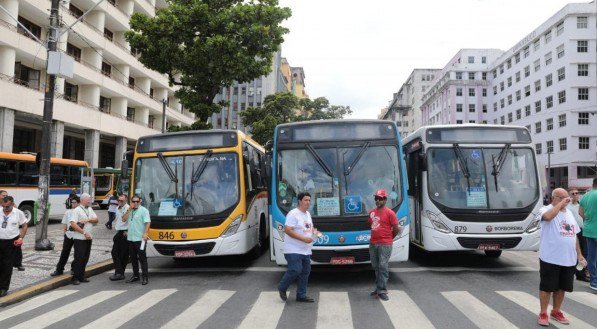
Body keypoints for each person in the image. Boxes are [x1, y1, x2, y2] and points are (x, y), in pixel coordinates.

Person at [536, 188, 586, 326]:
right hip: (550, 258)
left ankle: (556, 311)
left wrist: (579, 254)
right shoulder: (545, 209)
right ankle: (543, 313)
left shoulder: (569, 213)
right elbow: (547, 217)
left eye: (567, 197)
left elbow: (574, 235)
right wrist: (560, 204)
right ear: (555, 197)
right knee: (547, 287)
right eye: (564, 197)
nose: (568, 199)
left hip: (568, 259)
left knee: (562, 287)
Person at [278, 192, 318, 303]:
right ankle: (282, 287)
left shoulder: (308, 214)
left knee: (305, 271)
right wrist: (303, 239)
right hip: (293, 249)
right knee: (295, 269)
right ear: (299, 201)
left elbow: (310, 228)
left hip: (305, 249)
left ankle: (301, 295)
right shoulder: (293, 213)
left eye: (309, 200)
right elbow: (288, 230)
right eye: (306, 200)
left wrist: (315, 233)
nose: (308, 202)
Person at [368, 189, 400, 301]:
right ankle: (378, 288)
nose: (378, 200)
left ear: (385, 200)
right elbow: (372, 226)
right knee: (376, 266)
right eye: (376, 198)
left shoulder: (390, 213)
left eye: (380, 198)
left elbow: (396, 228)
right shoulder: (371, 212)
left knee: (383, 266)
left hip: (385, 244)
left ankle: (382, 290)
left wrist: (390, 238)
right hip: (373, 243)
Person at [0, 196, 28, 297]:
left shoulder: (18, 213)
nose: (5, 208)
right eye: (3, 206)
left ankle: (3, 287)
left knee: (7, 265)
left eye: (7, 206)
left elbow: (24, 226)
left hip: (11, 242)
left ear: (12, 204)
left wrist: (21, 238)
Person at [69, 193, 98, 285]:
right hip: (80, 238)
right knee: (79, 258)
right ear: (82, 200)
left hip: (89, 238)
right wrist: (84, 232)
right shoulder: (76, 210)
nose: (90, 201)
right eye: (88, 199)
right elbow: (73, 224)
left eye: (90, 199)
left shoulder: (90, 209)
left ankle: (81, 276)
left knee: (85, 258)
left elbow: (96, 220)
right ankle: (75, 278)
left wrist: (88, 220)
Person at [50, 196, 80, 277]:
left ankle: (74, 268)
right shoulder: (68, 212)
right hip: (69, 235)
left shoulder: (81, 212)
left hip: (78, 235)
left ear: (79, 203)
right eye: (72, 202)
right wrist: (65, 232)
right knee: (64, 252)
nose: (73, 204)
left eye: (75, 202)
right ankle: (59, 269)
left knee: (77, 253)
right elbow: (64, 223)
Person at [126, 195, 151, 285]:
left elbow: (148, 222)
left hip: (140, 239)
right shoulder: (130, 210)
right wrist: (129, 209)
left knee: (142, 258)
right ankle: (136, 275)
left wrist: (145, 233)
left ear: (140, 202)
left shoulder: (144, 210)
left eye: (137, 201)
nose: (136, 203)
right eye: (134, 201)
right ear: (131, 202)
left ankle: (145, 277)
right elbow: (123, 219)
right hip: (131, 238)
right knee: (133, 258)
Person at [567, 188, 589, 282]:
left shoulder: (581, 204)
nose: (575, 195)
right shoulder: (568, 207)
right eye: (573, 193)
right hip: (572, 232)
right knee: (573, 252)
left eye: (576, 193)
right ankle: (572, 272)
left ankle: (581, 273)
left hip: (582, 230)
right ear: (569, 195)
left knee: (584, 252)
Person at [579, 178, 597, 291]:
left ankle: (593, 282)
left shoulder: (585, 196)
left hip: (589, 230)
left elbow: (580, 212)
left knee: (591, 256)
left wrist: (589, 220)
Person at [110, 194, 130, 281]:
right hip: (119, 232)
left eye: (121, 201)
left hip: (125, 232)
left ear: (126, 200)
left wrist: (128, 231)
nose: (119, 202)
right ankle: (119, 272)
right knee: (115, 252)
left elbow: (129, 220)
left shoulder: (128, 208)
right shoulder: (118, 207)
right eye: (119, 200)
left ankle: (119, 273)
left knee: (123, 254)